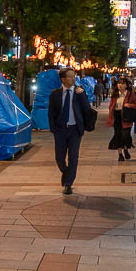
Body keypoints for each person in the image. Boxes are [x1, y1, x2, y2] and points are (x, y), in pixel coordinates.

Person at [48, 67, 92, 195]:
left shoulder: (79, 92)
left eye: (74, 76)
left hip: (75, 130)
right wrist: (53, 128)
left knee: (73, 157)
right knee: (59, 158)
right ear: (63, 79)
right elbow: (51, 112)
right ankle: (66, 174)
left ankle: (68, 183)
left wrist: (82, 95)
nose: (73, 79)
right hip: (60, 130)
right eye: (70, 76)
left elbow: (87, 109)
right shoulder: (55, 93)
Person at [107, 77, 136, 161]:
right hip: (117, 116)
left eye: (122, 83)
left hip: (126, 117)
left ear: (126, 85)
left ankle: (126, 149)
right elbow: (111, 106)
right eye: (119, 83)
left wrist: (130, 105)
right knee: (118, 135)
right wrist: (110, 116)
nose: (120, 85)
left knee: (126, 135)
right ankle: (120, 154)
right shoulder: (114, 94)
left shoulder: (130, 94)